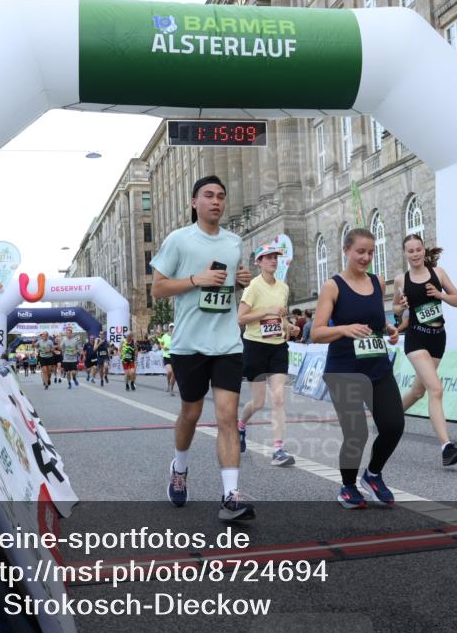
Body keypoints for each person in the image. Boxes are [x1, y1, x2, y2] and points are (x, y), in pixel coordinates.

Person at [150, 174, 255, 521]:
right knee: (191, 414)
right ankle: (179, 468)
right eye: (208, 195)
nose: (216, 201)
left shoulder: (234, 241)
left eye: (221, 196)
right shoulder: (179, 240)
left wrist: (241, 282)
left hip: (226, 343)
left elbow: (226, 292)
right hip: (189, 345)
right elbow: (159, 289)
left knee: (227, 417)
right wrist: (197, 280)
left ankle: (230, 496)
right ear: (194, 202)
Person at [311, 228, 403, 509]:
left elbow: (374, 319)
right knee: (357, 433)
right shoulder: (333, 286)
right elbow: (316, 332)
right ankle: (348, 485)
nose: (365, 257)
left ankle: (373, 475)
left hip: (377, 365)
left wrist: (388, 328)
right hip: (344, 369)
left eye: (370, 252)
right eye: (360, 252)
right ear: (346, 251)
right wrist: (343, 329)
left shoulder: (378, 282)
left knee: (393, 425)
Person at [392, 234, 457, 467]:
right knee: (435, 389)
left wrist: (440, 295)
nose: (415, 254)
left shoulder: (438, 274)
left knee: (418, 392)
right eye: (410, 251)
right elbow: (395, 307)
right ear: (405, 253)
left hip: (438, 338)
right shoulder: (400, 280)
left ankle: (389, 418)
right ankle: (447, 447)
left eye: (418, 250)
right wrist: (400, 308)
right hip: (416, 338)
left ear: (424, 251)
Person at [237, 243, 300, 467]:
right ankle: (241, 426)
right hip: (255, 346)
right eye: (268, 257)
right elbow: (241, 318)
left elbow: (279, 315)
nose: (273, 260)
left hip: (278, 347)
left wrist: (289, 326)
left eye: (276, 257)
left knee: (279, 398)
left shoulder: (283, 287)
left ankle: (278, 449)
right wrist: (266, 311)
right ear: (259, 262)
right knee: (257, 402)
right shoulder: (253, 287)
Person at [159, 323, 176, 395]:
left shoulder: (176, 336)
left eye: (173, 327)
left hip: (175, 356)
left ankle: (171, 389)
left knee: (174, 374)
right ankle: (168, 385)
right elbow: (161, 343)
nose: (172, 328)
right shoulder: (164, 336)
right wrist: (163, 347)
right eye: (171, 327)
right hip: (166, 356)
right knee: (169, 372)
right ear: (168, 328)